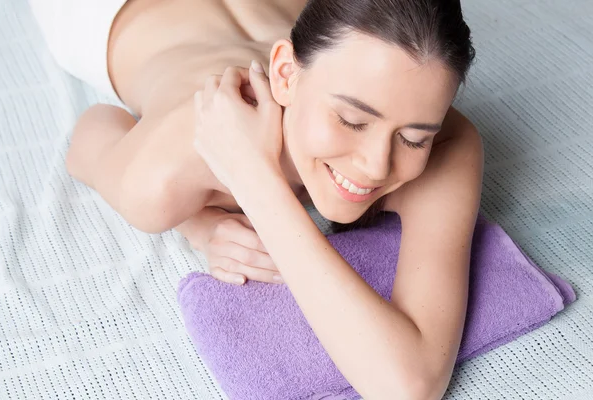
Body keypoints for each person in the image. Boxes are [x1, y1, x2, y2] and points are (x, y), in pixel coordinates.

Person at [31, 0, 484, 398]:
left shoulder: (447, 143)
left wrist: (256, 183)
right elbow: (92, 133)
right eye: (351, 120)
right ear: (285, 74)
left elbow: (409, 385)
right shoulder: (175, 162)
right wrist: (197, 223)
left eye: (411, 139)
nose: (375, 166)